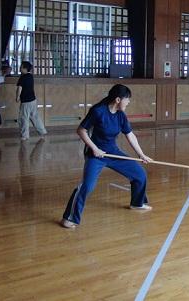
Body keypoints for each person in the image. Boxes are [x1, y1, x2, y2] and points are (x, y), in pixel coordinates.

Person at [61, 84, 153, 228]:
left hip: (113, 153)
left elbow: (130, 135)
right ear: (118, 99)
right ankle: (70, 218)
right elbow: (81, 130)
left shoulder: (121, 115)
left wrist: (141, 154)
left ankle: (137, 203)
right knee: (87, 186)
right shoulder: (98, 111)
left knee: (139, 174)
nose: (128, 102)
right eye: (127, 99)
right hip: (95, 155)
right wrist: (94, 149)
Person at [16, 61, 47, 140]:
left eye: (21, 67)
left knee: (24, 118)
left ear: (25, 68)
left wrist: (17, 97)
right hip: (33, 100)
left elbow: (19, 88)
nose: (20, 68)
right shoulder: (30, 76)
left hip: (25, 101)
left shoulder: (23, 77)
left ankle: (25, 135)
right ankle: (42, 131)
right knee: (35, 116)